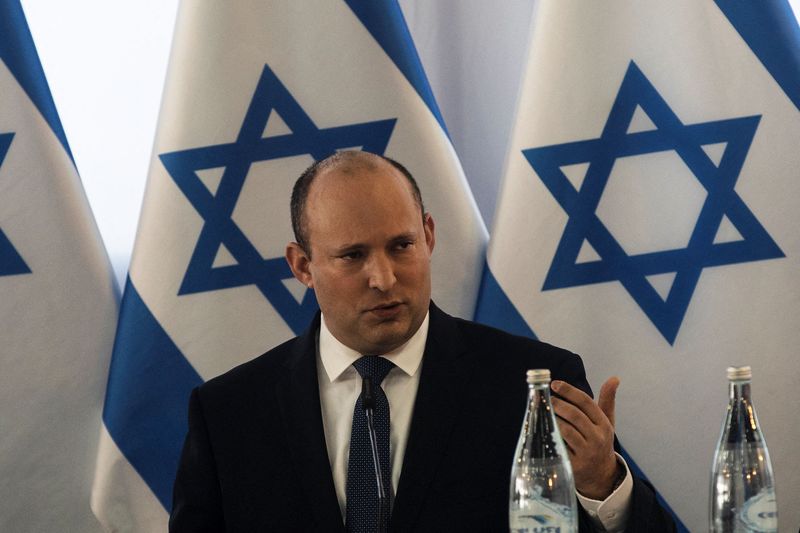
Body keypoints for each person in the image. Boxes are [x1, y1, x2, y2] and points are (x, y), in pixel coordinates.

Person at [170, 151, 675, 532]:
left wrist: (602, 486)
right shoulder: (229, 414)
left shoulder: (532, 385)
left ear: (428, 236)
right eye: (353, 256)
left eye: (401, 245)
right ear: (302, 265)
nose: (384, 279)